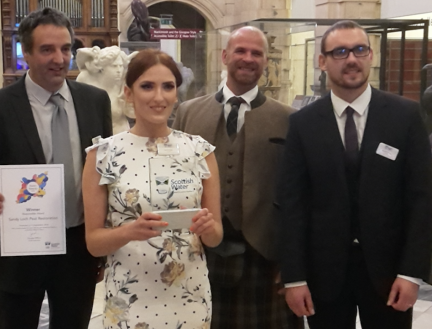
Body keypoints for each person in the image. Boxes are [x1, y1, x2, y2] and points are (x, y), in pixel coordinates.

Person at [0, 8, 112, 329]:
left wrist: (106, 244)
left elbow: (107, 174)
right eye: (47, 49)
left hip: (78, 249)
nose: (59, 58)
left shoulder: (95, 101)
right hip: (20, 249)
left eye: (66, 48)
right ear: (26, 53)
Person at [279, 20, 432, 329]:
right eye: (340, 52)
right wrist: (294, 277)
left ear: (371, 55)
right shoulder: (303, 124)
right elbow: (291, 204)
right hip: (325, 275)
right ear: (322, 61)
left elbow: (422, 198)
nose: (351, 59)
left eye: (360, 49)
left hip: (390, 275)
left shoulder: (405, 116)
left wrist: (411, 272)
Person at [82, 48, 223, 329]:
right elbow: (93, 242)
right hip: (129, 300)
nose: (159, 97)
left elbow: (216, 237)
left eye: (168, 87)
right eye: (147, 86)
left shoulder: (200, 151)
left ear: (176, 93)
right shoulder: (103, 154)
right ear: (129, 93)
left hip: (189, 298)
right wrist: (128, 231)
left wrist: (208, 228)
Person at [173, 26, 303, 329]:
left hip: (265, 258)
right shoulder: (188, 113)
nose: (248, 58)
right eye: (240, 51)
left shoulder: (289, 119)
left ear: (266, 61)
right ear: (224, 56)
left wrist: (294, 263)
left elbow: (299, 197)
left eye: (257, 53)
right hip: (201, 255)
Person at [76, 45, 137, 134]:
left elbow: (132, 115)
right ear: (102, 67)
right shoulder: (86, 78)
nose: (119, 70)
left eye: (121, 66)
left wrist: (128, 102)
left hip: (119, 133)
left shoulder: (124, 82)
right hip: (94, 134)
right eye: (114, 66)